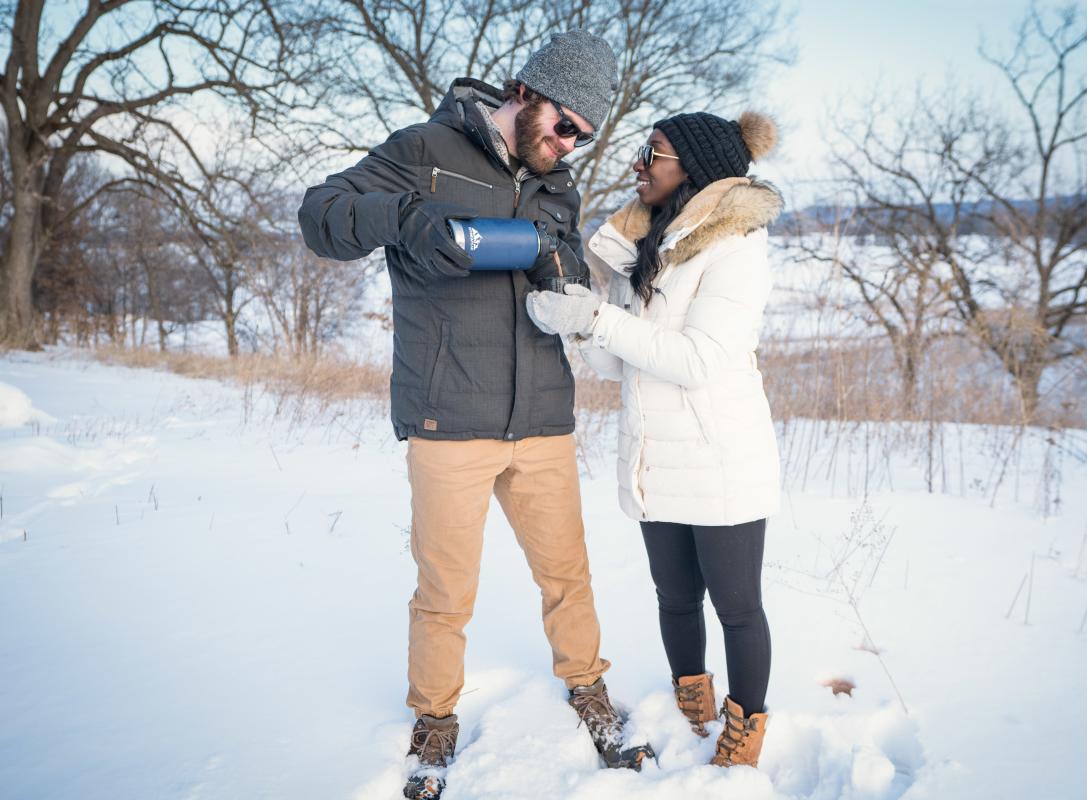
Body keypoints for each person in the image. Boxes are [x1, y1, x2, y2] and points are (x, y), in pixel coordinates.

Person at [297, 30, 651, 800]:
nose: (568, 145)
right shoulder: (422, 148)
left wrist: (560, 267)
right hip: (448, 415)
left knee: (568, 575)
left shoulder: (556, 184)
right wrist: (404, 216)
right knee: (446, 590)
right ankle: (434, 718)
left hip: (543, 416)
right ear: (525, 93)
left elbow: (560, 257)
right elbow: (319, 216)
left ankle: (588, 688)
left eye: (583, 138)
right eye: (564, 125)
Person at [526, 110, 783, 769]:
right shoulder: (654, 246)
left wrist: (601, 319)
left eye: (654, 153)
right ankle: (691, 696)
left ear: (692, 167)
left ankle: (745, 727)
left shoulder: (736, 248)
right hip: (654, 455)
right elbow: (619, 364)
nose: (639, 163)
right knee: (675, 597)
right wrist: (579, 325)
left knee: (737, 607)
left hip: (719, 458)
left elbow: (697, 360)